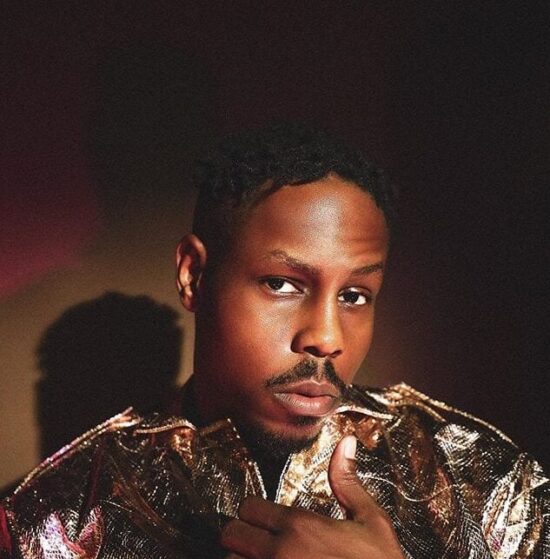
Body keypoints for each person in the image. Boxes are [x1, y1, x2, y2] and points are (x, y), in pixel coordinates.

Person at [1, 123, 547, 558]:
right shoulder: (55, 522)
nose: (327, 338)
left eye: (354, 295)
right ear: (194, 275)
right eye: (282, 284)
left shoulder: (486, 483)